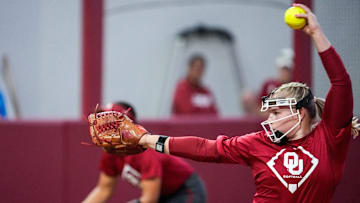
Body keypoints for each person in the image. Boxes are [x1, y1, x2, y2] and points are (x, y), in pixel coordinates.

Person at [132, 4, 360, 202]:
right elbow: (205, 148)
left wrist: (316, 33)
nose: (269, 120)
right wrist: (148, 139)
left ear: (299, 113)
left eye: (276, 113)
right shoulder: (257, 142)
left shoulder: (329, 138)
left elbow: (341, 82)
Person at [83, 102, 207, 203]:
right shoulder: (110, 153)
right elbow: (104, 189)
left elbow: (150, 199)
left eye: (110, 123)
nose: (102, 128)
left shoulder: (144, 152)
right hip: (162, 195)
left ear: (127, 126)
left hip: (185, 190)